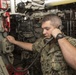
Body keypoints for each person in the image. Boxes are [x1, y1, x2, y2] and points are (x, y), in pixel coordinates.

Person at [6, 14, 76, 75]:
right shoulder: (44, 41)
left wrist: (59, 37)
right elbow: (32, 47)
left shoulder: (70, 42)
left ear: (58, 28)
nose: (43, 32)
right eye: (43, 29)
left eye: (47, 29)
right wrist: (15, 41)